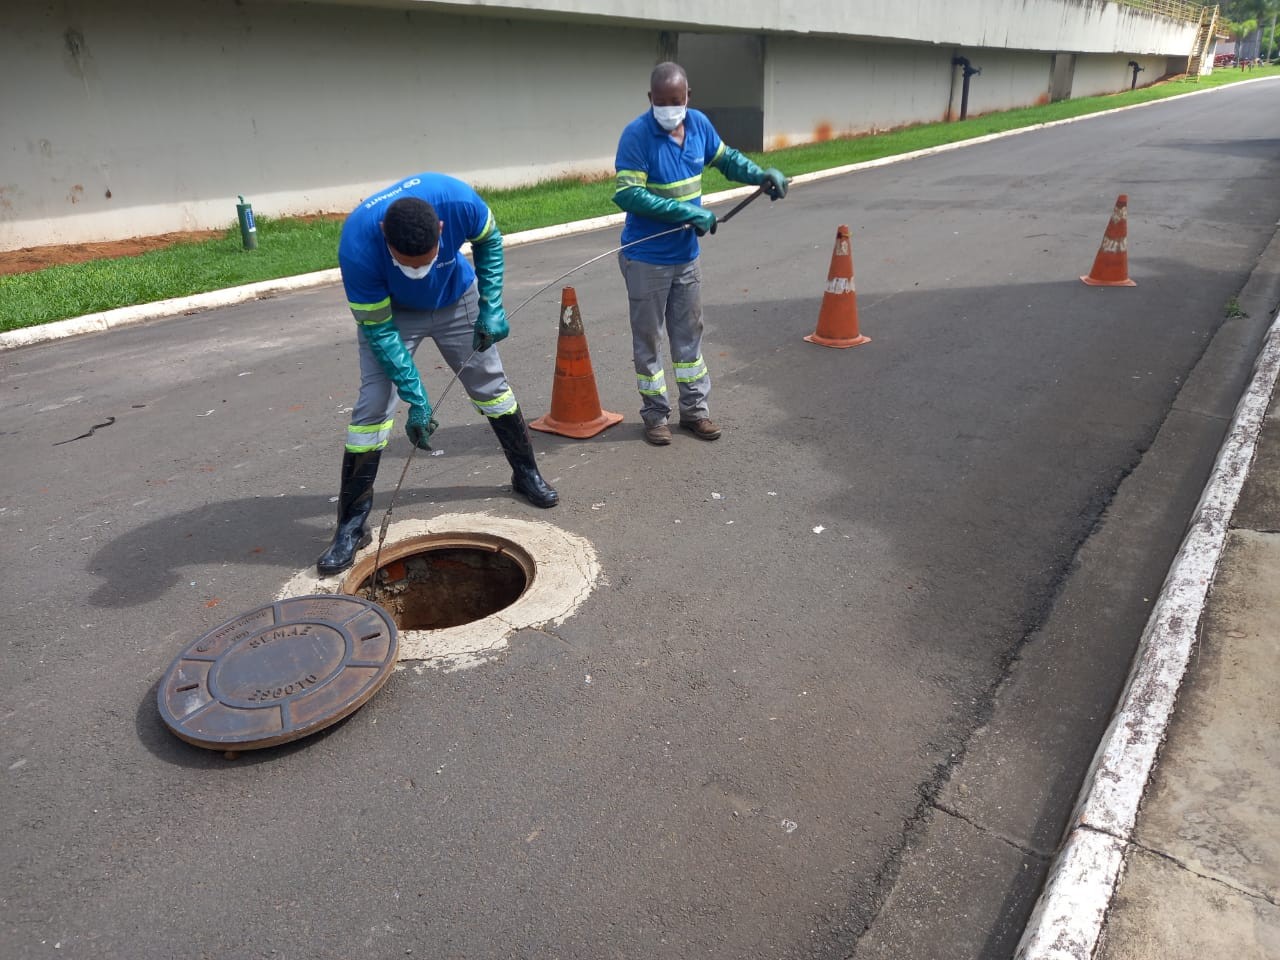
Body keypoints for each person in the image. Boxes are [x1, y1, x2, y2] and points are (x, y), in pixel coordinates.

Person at [317, 173, 557, 576]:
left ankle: (526, 473)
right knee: (373, 408)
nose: (418, 272)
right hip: (393, 314)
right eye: (406, 265)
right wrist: (416, 396)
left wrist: (491, 305)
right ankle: (351, 526)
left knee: (491, 386)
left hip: (456, 300)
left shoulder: (460, 202)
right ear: (383, 235)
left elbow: (490, 243)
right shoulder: (358, 243)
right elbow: (378, 331)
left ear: (442, 231)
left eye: (425, 261)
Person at [613, 61, 789, 445]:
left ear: (688, 97)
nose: (669, 108)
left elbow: (726, 160)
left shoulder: (699, 126)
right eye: (661, 102)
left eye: (676, 100)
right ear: (650, 100)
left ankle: (695, 411)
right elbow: (627, 194)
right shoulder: (636, 136)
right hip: (646, 257)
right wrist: (686, 211)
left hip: (686, 255)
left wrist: (760, 175)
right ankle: (655, 415)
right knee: (648, 339)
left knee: (689, 336)